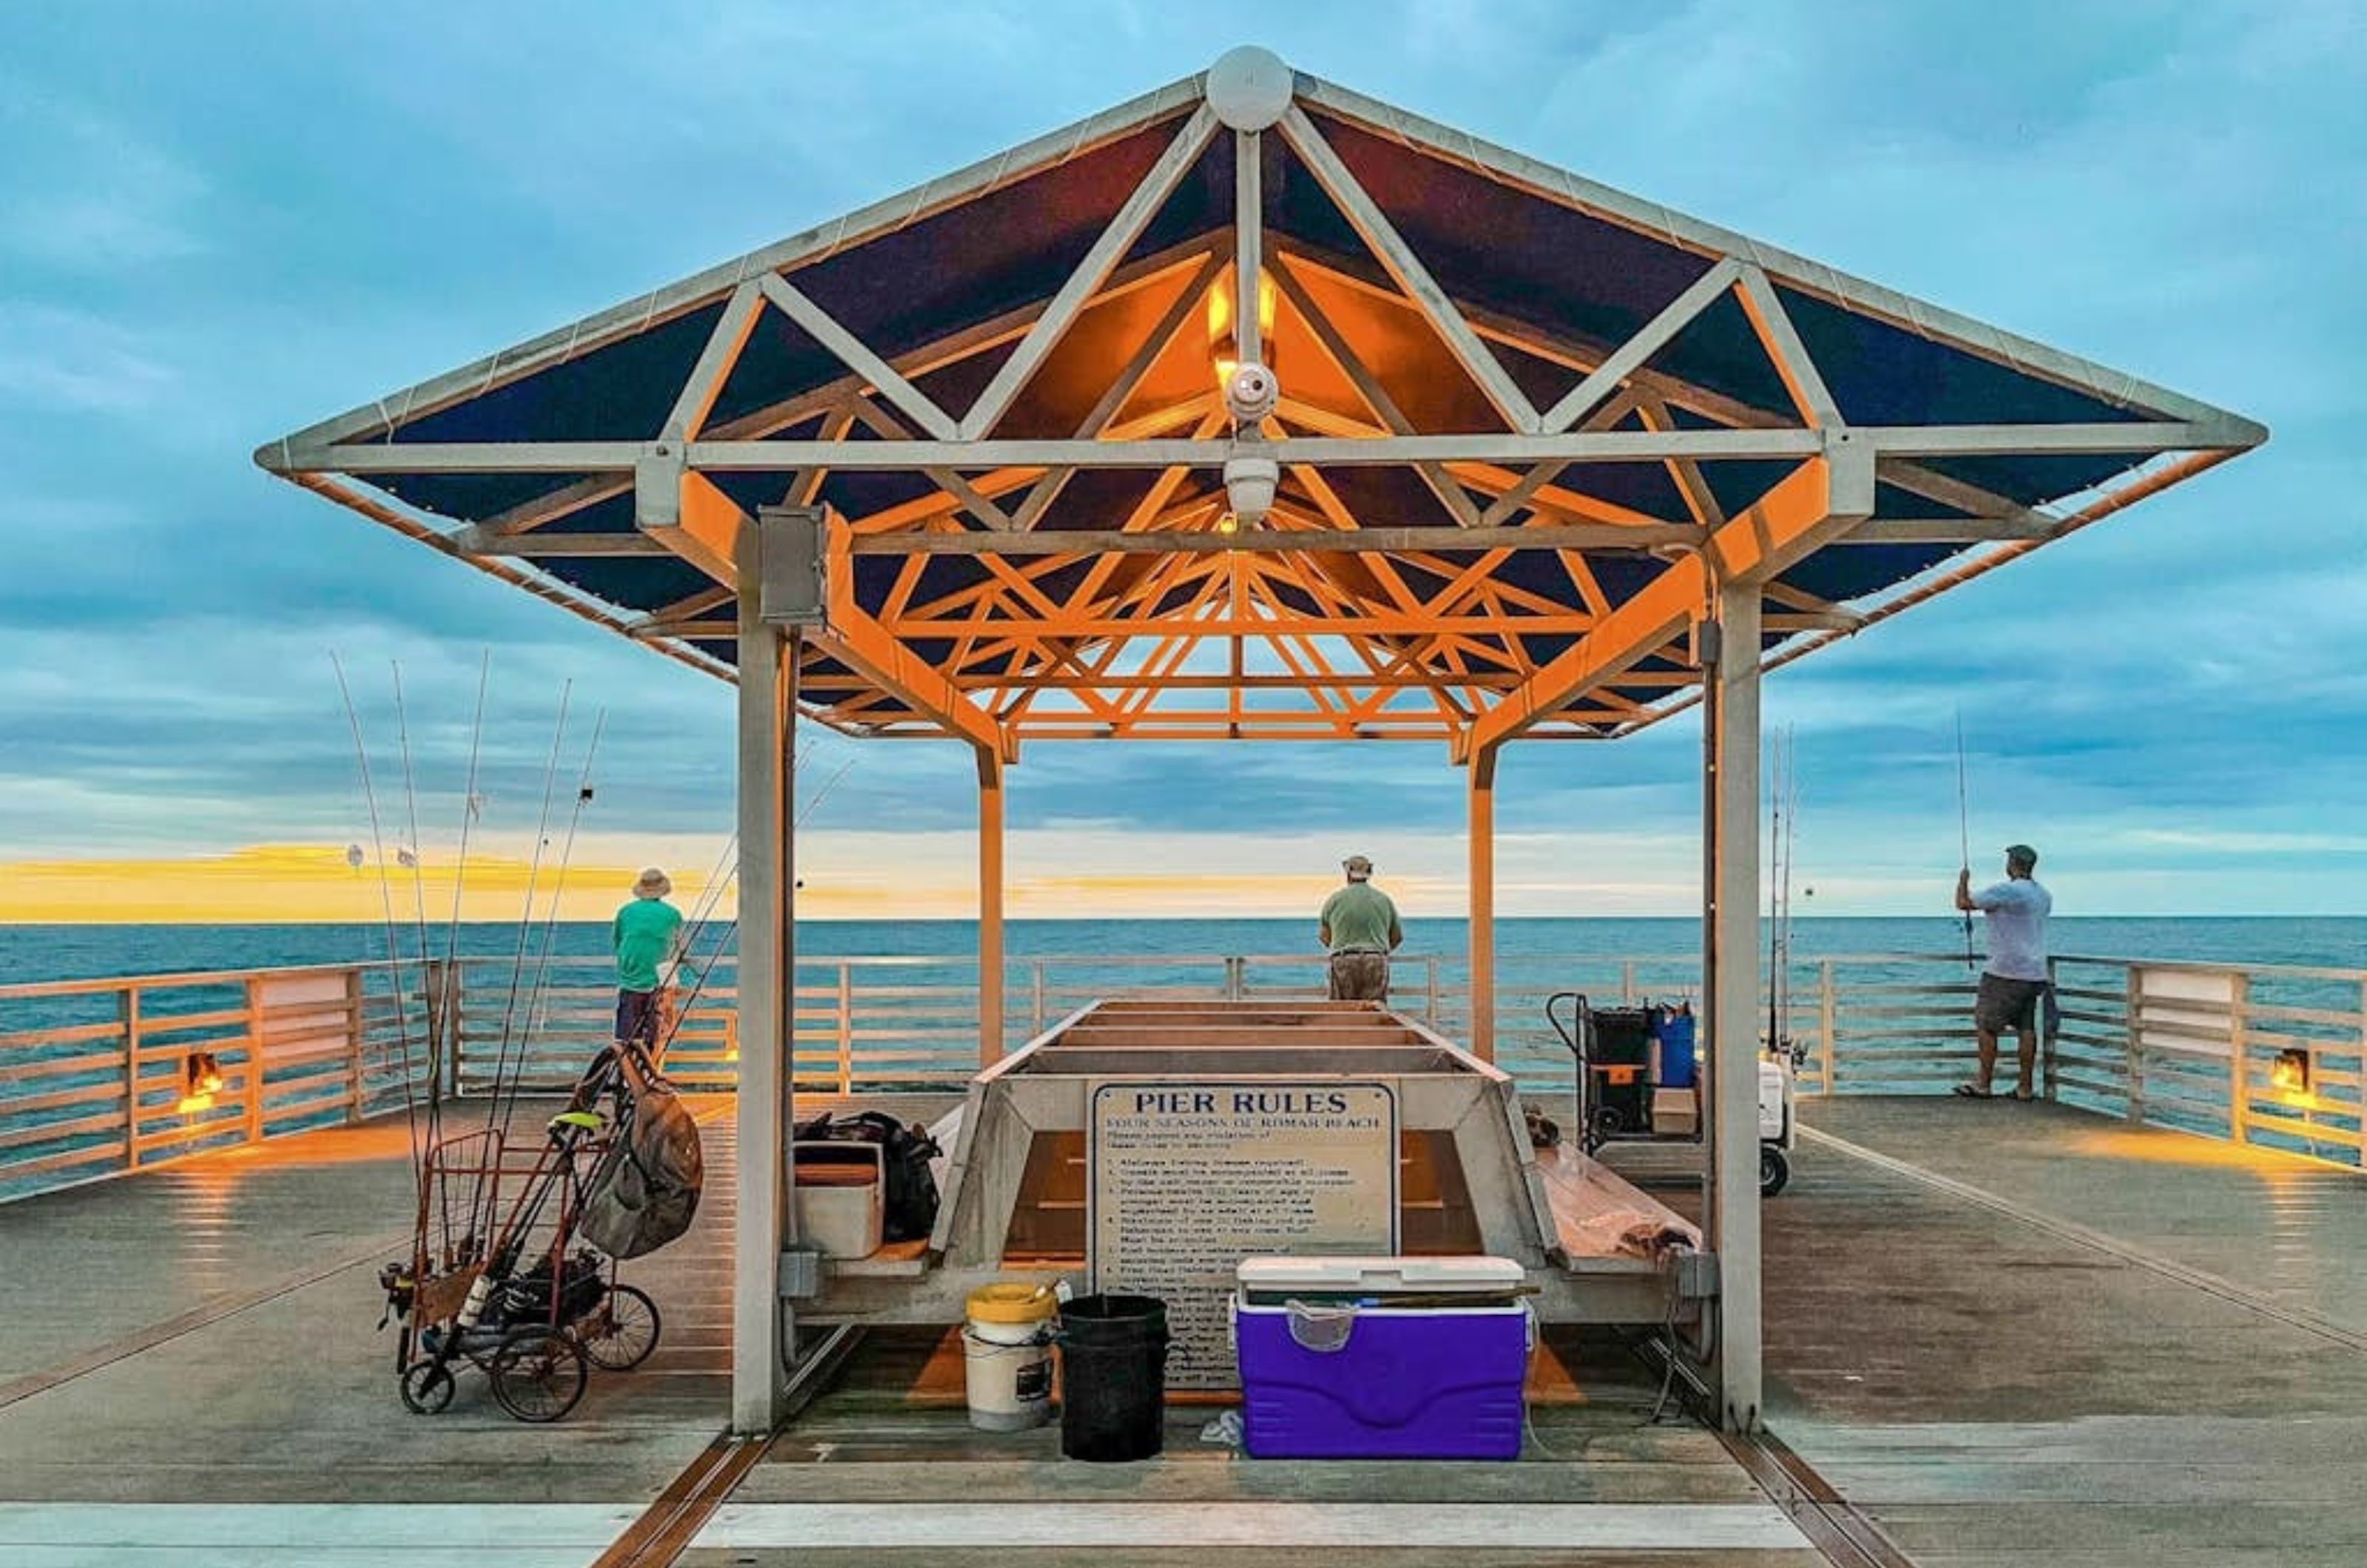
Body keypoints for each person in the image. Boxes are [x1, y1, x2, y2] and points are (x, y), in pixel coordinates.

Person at [1953, 844, 2053, 1101]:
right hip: (2035, 971)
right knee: (2026, 1028)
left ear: (2013, 864)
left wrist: (1963, 880)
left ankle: (1983, 1084)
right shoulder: (2043, 895)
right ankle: (2025, 1088)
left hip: (2005, 970)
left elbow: (1963, 903)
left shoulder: (2008, 890)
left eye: (2009, 860)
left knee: (1986, 1025)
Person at [612, 868, 686, 1050]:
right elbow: (679, 949)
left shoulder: (625, 912)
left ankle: (627, 1076)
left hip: (630, 982)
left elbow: (618, 942)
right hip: (660, 983)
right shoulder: (673, 914)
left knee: (626, 1040)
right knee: (652, 1038)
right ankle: (648, 1073)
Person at [1319, 854, 1402, 1001]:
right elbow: (1397, 937)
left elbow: (1325, 937)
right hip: (1375, 958)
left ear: (1348, 873)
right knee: (1373, 1012)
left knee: (1342, 1012)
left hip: (1344, 959)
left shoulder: (1334, 900)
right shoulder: (1384, 900)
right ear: (1369, 873)